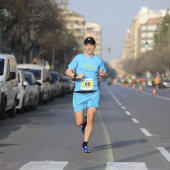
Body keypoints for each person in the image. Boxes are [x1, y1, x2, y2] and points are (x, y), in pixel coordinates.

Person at [65, 37, 107, 153]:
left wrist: (103, 74)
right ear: (85, 46)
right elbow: (67, 71)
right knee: (79, 123)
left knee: (91, 117)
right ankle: (84, 123)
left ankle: (85, 144)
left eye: (91, 45)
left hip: (93, 92)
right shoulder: (78, 58)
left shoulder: (99, 60)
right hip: (79, 93)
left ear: (94, 47)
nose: (89, 47)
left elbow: (105, 74)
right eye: (87, 45)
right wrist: (75, 76)